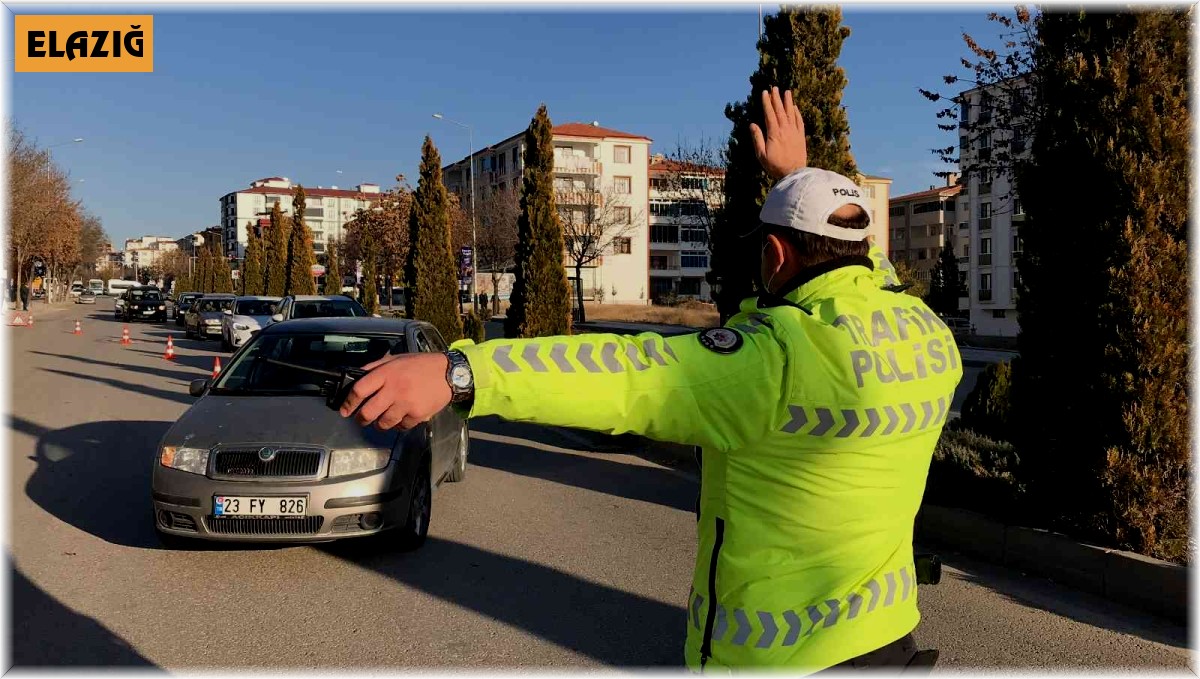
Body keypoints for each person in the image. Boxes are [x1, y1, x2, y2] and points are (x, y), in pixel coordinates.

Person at [338, 87, 964, 673]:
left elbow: (628, 372)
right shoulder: (926, 333)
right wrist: (797, 178)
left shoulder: (776, 358)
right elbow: (859, 262)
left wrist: (462, 373)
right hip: (889, 639)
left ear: (774, 257)